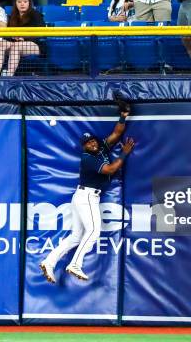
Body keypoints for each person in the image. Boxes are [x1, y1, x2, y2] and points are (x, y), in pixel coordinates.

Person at [39, 108, 135, 283]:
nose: (92, 144)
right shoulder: (87, 158)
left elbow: (117, 132)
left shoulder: (101, 148)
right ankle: (75, 264)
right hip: (87, 197)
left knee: (76, 236)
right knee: (93, 231)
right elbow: (111, 169)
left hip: (84, 197)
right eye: (88, 143)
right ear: (84, 147)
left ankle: (49, 261)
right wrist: (125, 153)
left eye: (92, 141)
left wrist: (123, 115)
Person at [0, 0, 44, 76]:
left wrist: (23, 38)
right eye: (19, 1)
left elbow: (40, 33)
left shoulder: (36, 15)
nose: (22, 4)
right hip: (16, 43)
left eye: (25, 1)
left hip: (34, 45)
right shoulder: (12, 17)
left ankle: (9, 74)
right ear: (15, 4)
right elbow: (6, 34)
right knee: (1, 43)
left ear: (29, 3)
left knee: (16, 46)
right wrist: (13, 36)